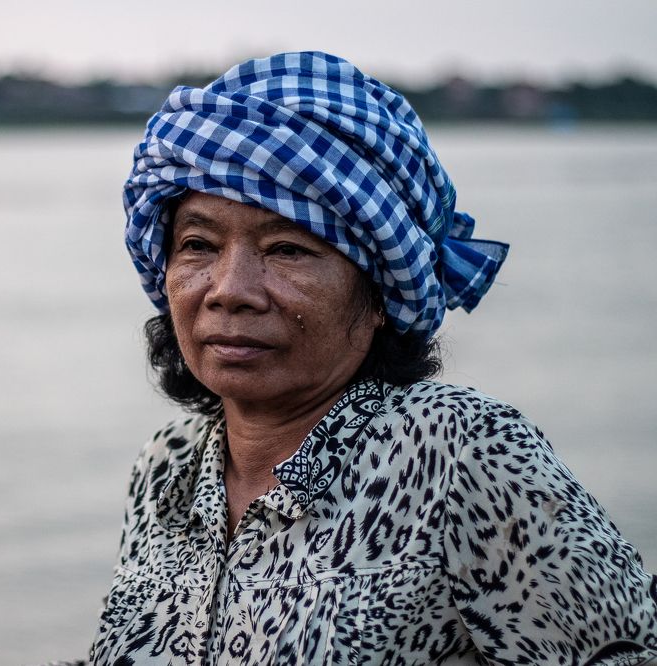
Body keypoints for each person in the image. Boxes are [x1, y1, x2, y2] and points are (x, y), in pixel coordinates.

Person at [86, 52, 657, 665]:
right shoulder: (167, 466)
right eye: (198, 244)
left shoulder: (458, 452)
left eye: (287, 249)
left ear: (381, 293)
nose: (230, 290)